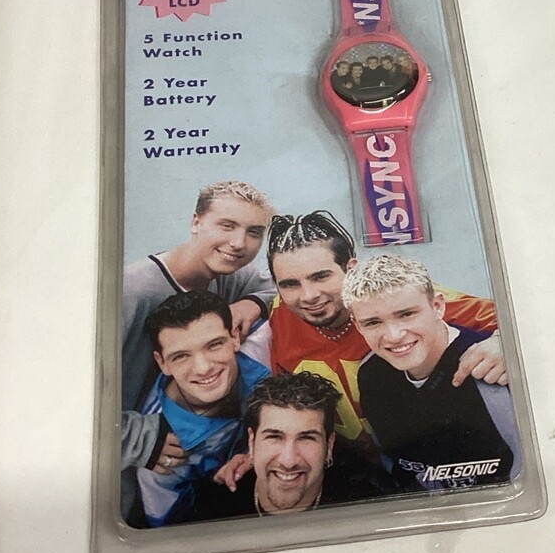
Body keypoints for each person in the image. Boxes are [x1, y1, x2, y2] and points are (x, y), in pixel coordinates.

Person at [233, 212, 506, 464]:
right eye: (290, 284)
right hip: (344, 466)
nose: (308, 296)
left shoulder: (397, 297)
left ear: (351, 269)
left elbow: (511, 317)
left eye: (321, 277)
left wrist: (502, 343)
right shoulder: (278, 315)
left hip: (415, 456)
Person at [121, 180, 275, 485]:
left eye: (254, 232)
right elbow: (62, 398)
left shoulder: (229, 274)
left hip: (203, 458)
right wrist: (135, 438)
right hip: (128, 475)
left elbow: (285, 287)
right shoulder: (131, 292)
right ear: (196, 222)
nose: (239, 243)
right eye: (227, 226)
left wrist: (253, 303)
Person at [343, 253, 521, 493]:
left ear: (437, 306)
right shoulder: (371, 374)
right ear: (357, 325)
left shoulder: (493, 366)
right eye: (373, 322)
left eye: (407, 314)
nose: (394, 336)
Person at [127, 290, 270, 527]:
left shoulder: (263, 344)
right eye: (181, 356)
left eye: (214, 345)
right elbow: (170, 528)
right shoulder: (161, 454)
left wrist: (256, 303)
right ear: (162, 363)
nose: (203, 368)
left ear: (235, 337)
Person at [191, 371, 386, 520]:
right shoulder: (212, 509)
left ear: (329, 445)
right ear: (252, 442)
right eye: (274, 437)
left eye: (306, 438)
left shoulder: (362, 507)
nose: (289, 461)